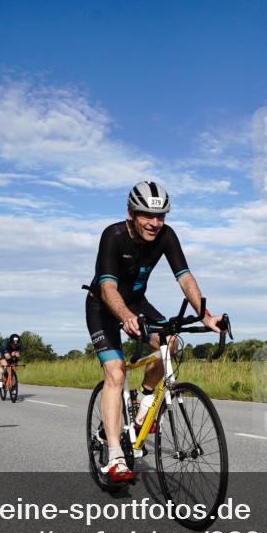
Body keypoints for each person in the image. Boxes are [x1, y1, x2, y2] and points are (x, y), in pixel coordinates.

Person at [86, 181, 222, 481]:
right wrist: (124, 316)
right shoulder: (113, 235)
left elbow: (185, 278)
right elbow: (108, 287)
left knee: (170, 344)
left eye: (161, 216)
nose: (155, 223)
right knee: (116, 372)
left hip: (137, 302)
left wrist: (206, 316)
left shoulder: (166, 235)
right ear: (131, 212)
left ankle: (144, 403)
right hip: (103, 306)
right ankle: (115, 457)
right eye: (148, 215)